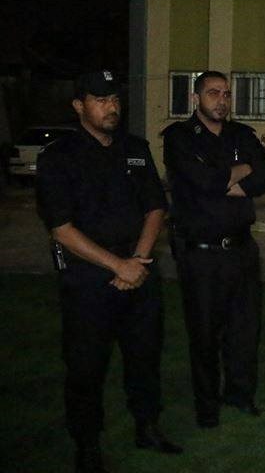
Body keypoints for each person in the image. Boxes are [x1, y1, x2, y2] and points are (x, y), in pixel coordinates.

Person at [36, 70, 181, 472]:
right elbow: (61, 228)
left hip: (139, 270)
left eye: (114, 99)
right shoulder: (59, 157)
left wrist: (137, 260)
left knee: (144, 359)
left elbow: (155, 207)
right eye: (100, 100)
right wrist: (119, 266)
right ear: (79, 105)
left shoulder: (135, 149)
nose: (111, 107)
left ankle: (147, 426)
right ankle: (87, 445)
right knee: (86, 367)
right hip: (88, 279)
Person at [162, 71, 265, 427]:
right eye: (213, 93)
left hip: (241, 250)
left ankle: (240, 395)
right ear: (195, 98)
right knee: (205, 333)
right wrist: (242, 169)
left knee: (245, 330)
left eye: (226, 93)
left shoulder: (241, 134)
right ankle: (207, 406)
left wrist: (226, 179)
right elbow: (200, 181)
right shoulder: (179, 137)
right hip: (201, 254)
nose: (222, 100)